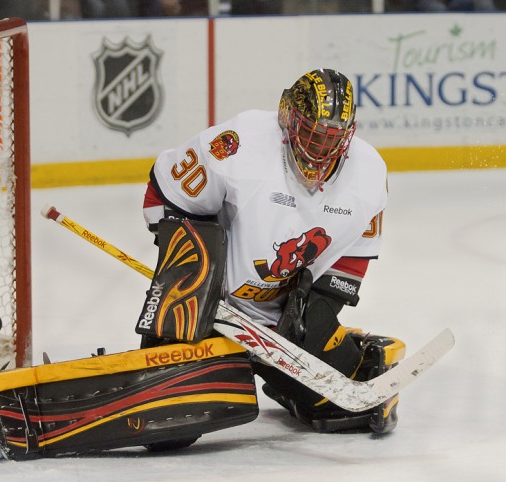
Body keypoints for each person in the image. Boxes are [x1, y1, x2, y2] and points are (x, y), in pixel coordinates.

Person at [141, 68, 406, 435]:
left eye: (331, 141)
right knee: (170, 425)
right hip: (206, 304)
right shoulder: (239, 143)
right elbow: (164, 199)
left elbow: (352, 257)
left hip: (282, 318)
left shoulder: (369, 173)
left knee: (335, 411)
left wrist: (314, 310)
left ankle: (352, 354)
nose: (319, 153)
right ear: (288, 119)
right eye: (312, 136)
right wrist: (195, 276)